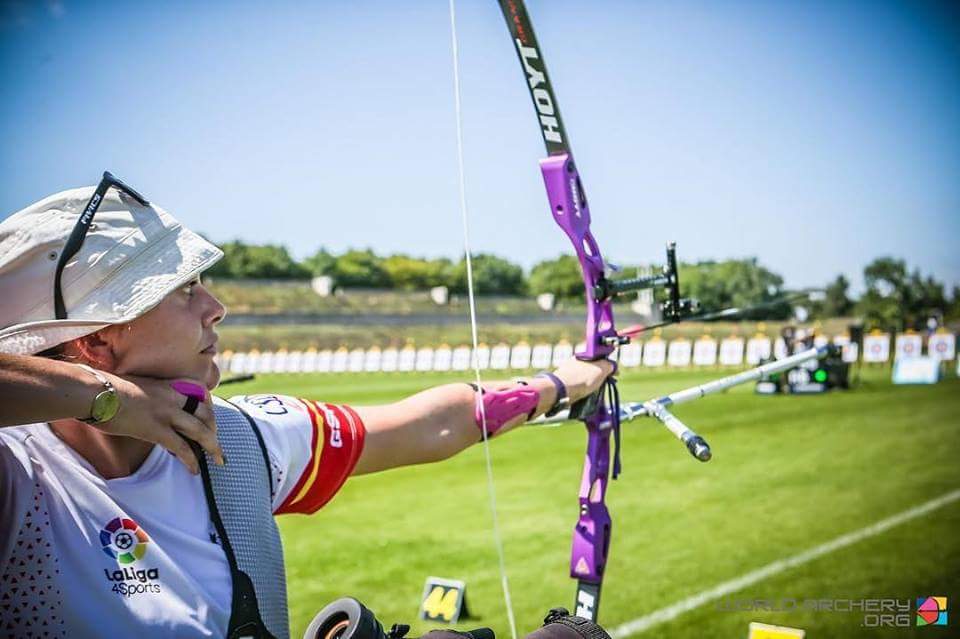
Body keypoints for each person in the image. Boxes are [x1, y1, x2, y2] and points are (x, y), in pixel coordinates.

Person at [0, 174, 613, 638]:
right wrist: (107, 401)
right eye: (182, 290)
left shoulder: (240, 442)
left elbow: (430, 425)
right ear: (97, 340)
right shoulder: (18, 478)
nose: (215, 306)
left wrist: (557, 385)